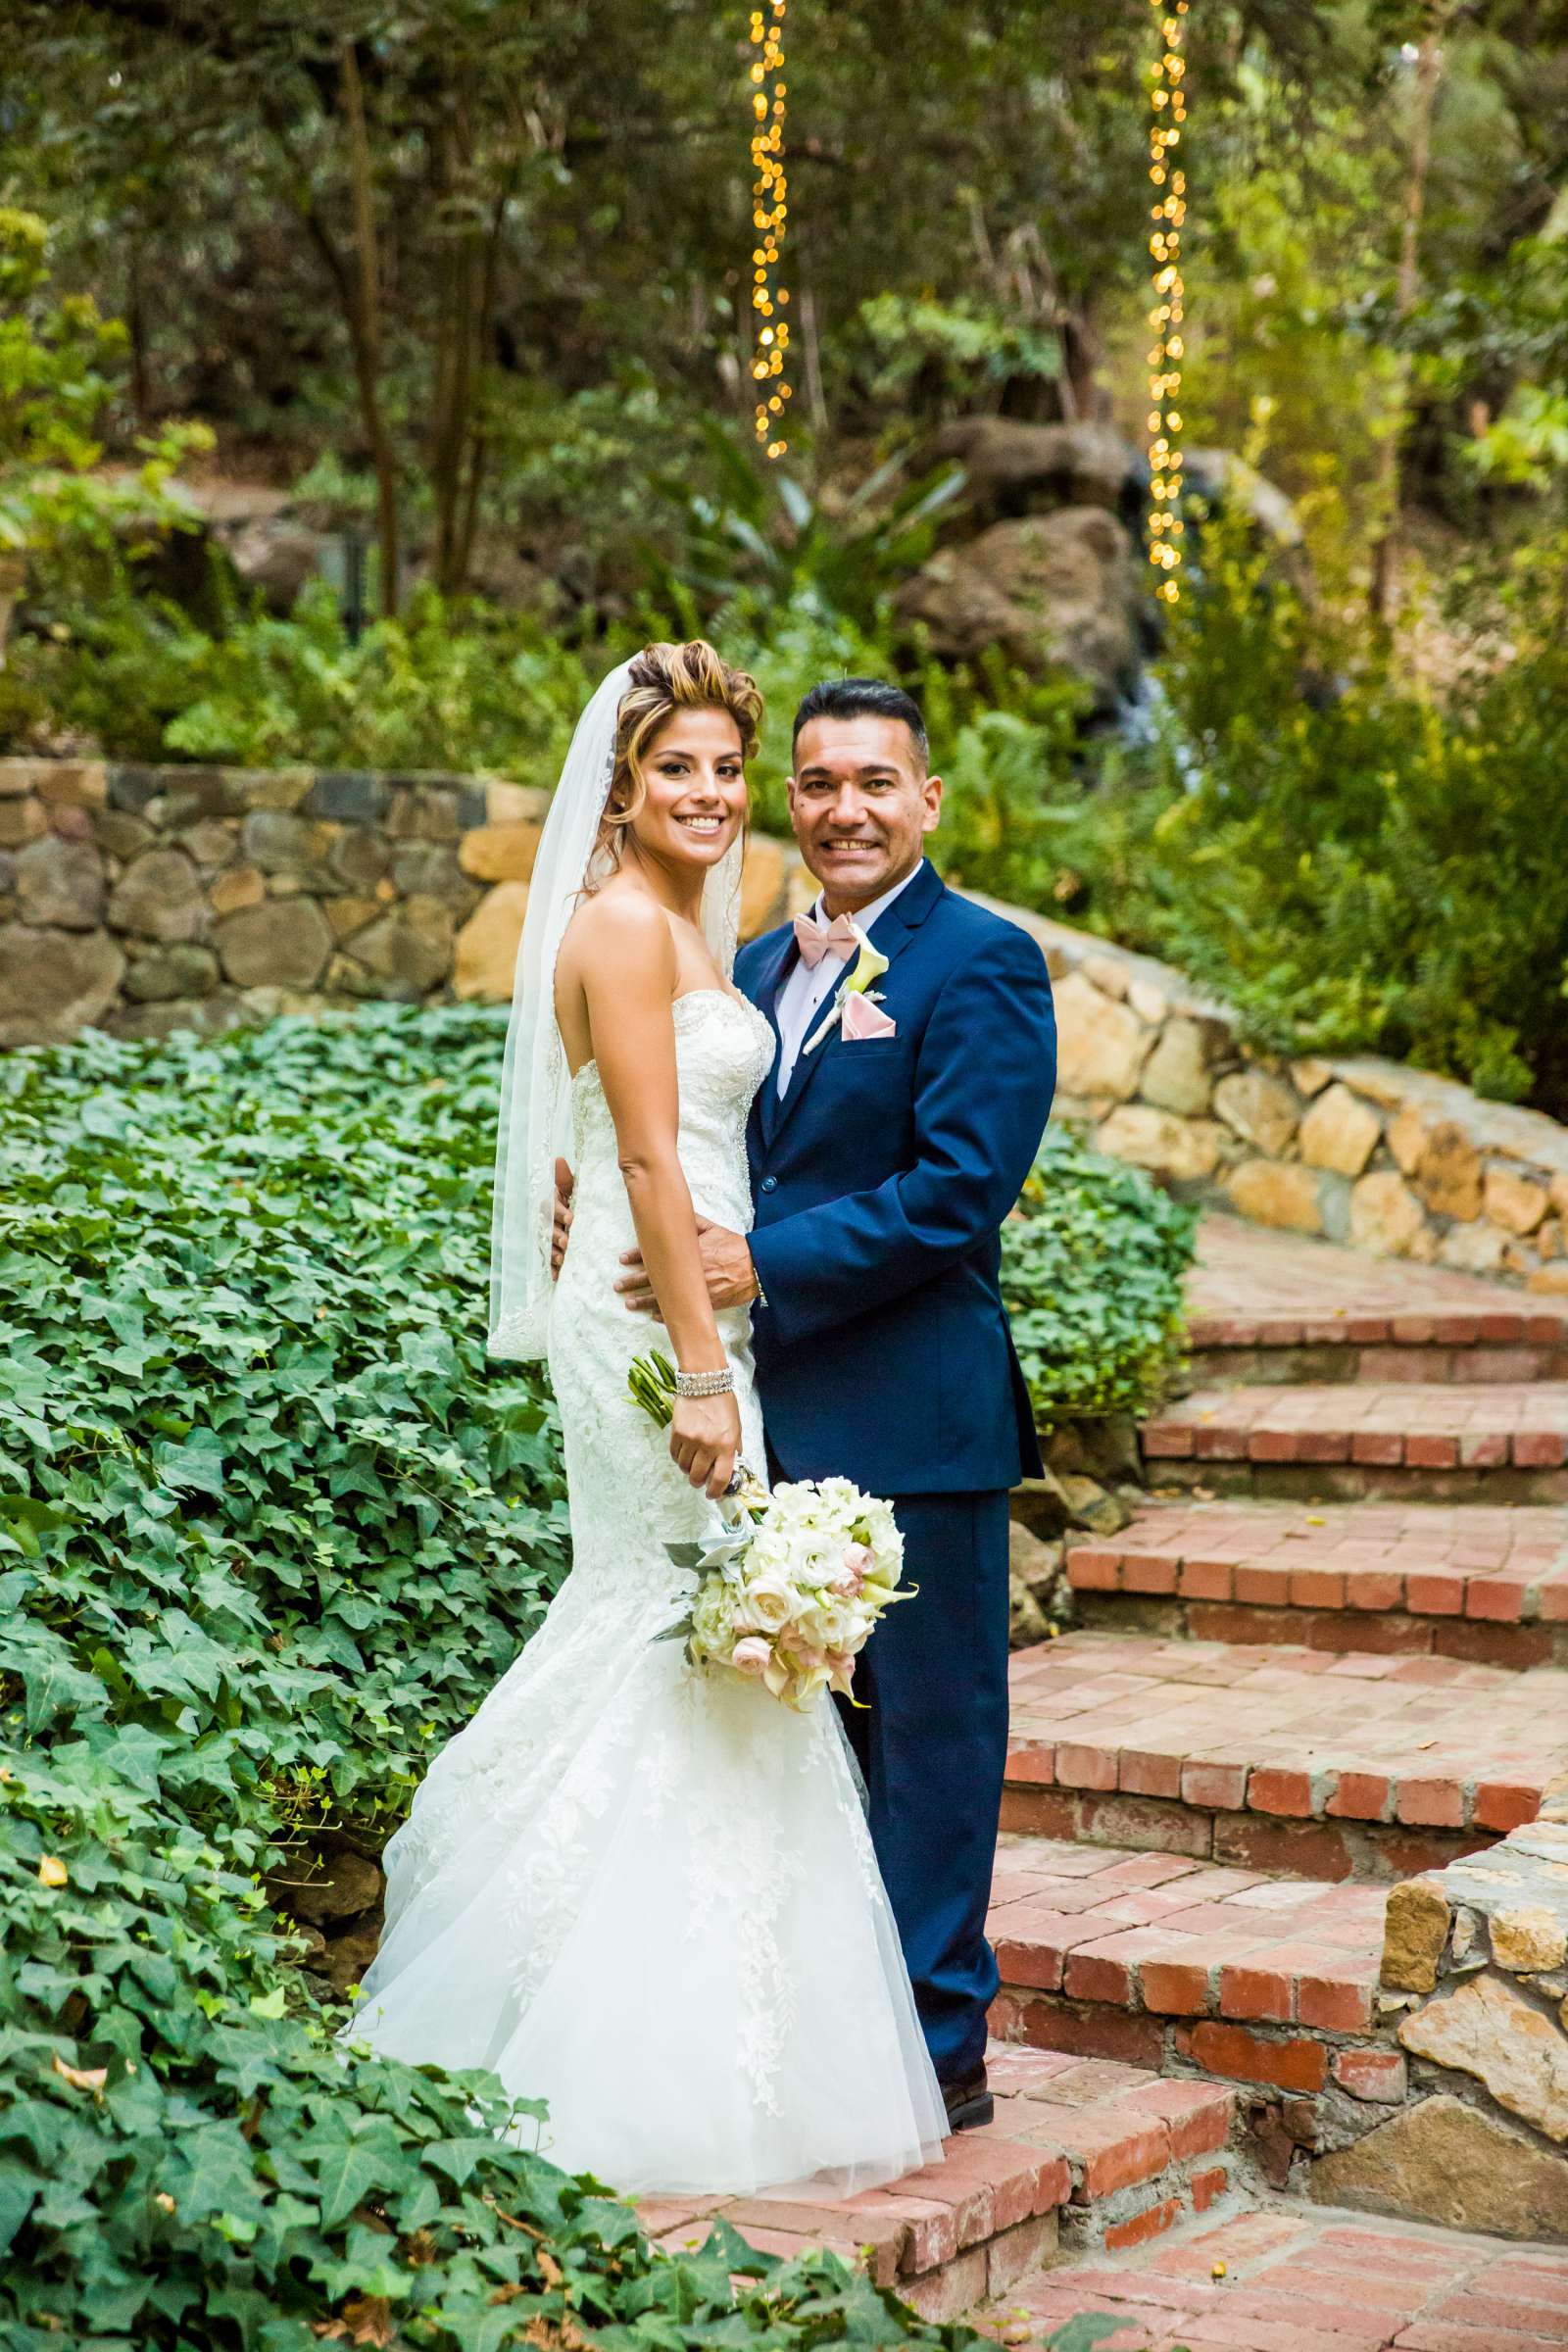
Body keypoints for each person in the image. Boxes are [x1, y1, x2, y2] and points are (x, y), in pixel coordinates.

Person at [343, 643, 948, 2199]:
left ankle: (726, 2021)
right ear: (619, 784)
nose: (712, 792)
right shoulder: (622, 926)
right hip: (657, 1323)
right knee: (659, 1618)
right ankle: (580, 2026)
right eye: (677, 767)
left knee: (702, 1639)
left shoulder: (700, 928)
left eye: (726, 770)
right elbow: (658, 1166)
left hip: (695, 1301)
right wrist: (695, 1366)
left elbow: (668, 1136)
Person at [599, 678, 1056, 2130]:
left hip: (919, 1422)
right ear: (789, 802)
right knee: (808, 1752)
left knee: (929, 1746)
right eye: (815, 783)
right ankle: (830, 2037)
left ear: (928, 799)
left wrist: (757, 1261)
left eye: (875, 782)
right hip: (773, 1419)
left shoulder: (982, 962)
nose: (842, 809)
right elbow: (694, 1142)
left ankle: (938, 2050)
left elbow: (959, 1188)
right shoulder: (747, 959)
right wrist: (585, 1209)